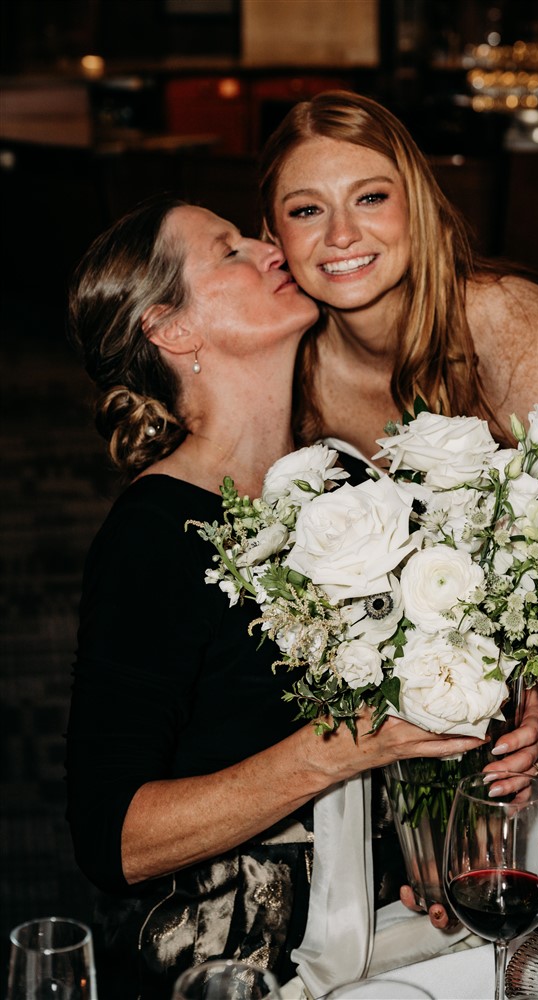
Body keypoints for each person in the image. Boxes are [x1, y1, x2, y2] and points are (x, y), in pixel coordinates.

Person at [64, 197, 489, 999]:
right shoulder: (153, 536)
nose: (269, 248)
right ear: (173, 329)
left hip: (395, 921)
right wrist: (346, 746)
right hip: (240, 958)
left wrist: (428, 841)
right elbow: (112, 840)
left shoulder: (351, 480)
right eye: (227, 251)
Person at [257, 90, 538, 923]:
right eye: (305, 210)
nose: (342, 236)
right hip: (403, 706)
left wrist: (522, 714)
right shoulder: (285, 370)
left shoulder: (510, 326)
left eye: (370, 197)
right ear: (274, 236)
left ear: (418, 204)